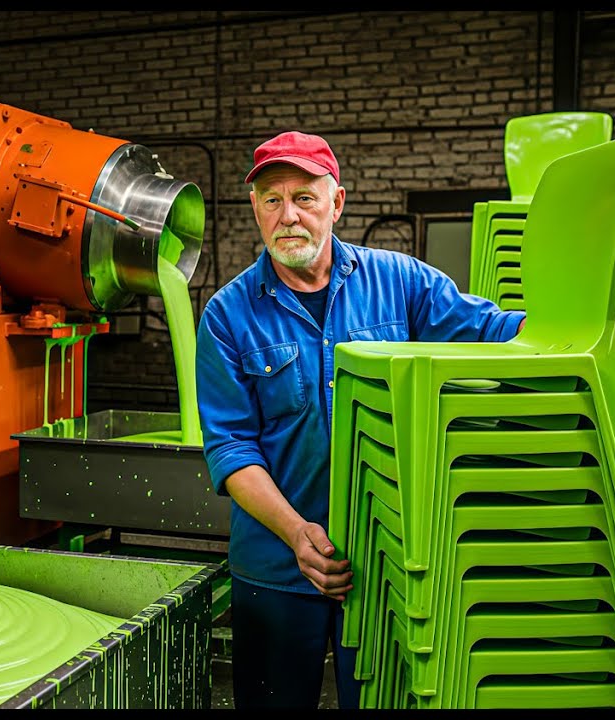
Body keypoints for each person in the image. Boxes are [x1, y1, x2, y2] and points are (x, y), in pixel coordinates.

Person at [195, 131, 526, 709]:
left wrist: (578, 324)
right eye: (272, 200)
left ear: (337, 203)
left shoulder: (402, 283)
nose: (288, 215)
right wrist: (297, 533)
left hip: (384, 563)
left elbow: (494, 330)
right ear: (255, 209)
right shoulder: (227, 313)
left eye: (305, 197)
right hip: (275, 566)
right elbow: (230, 446)